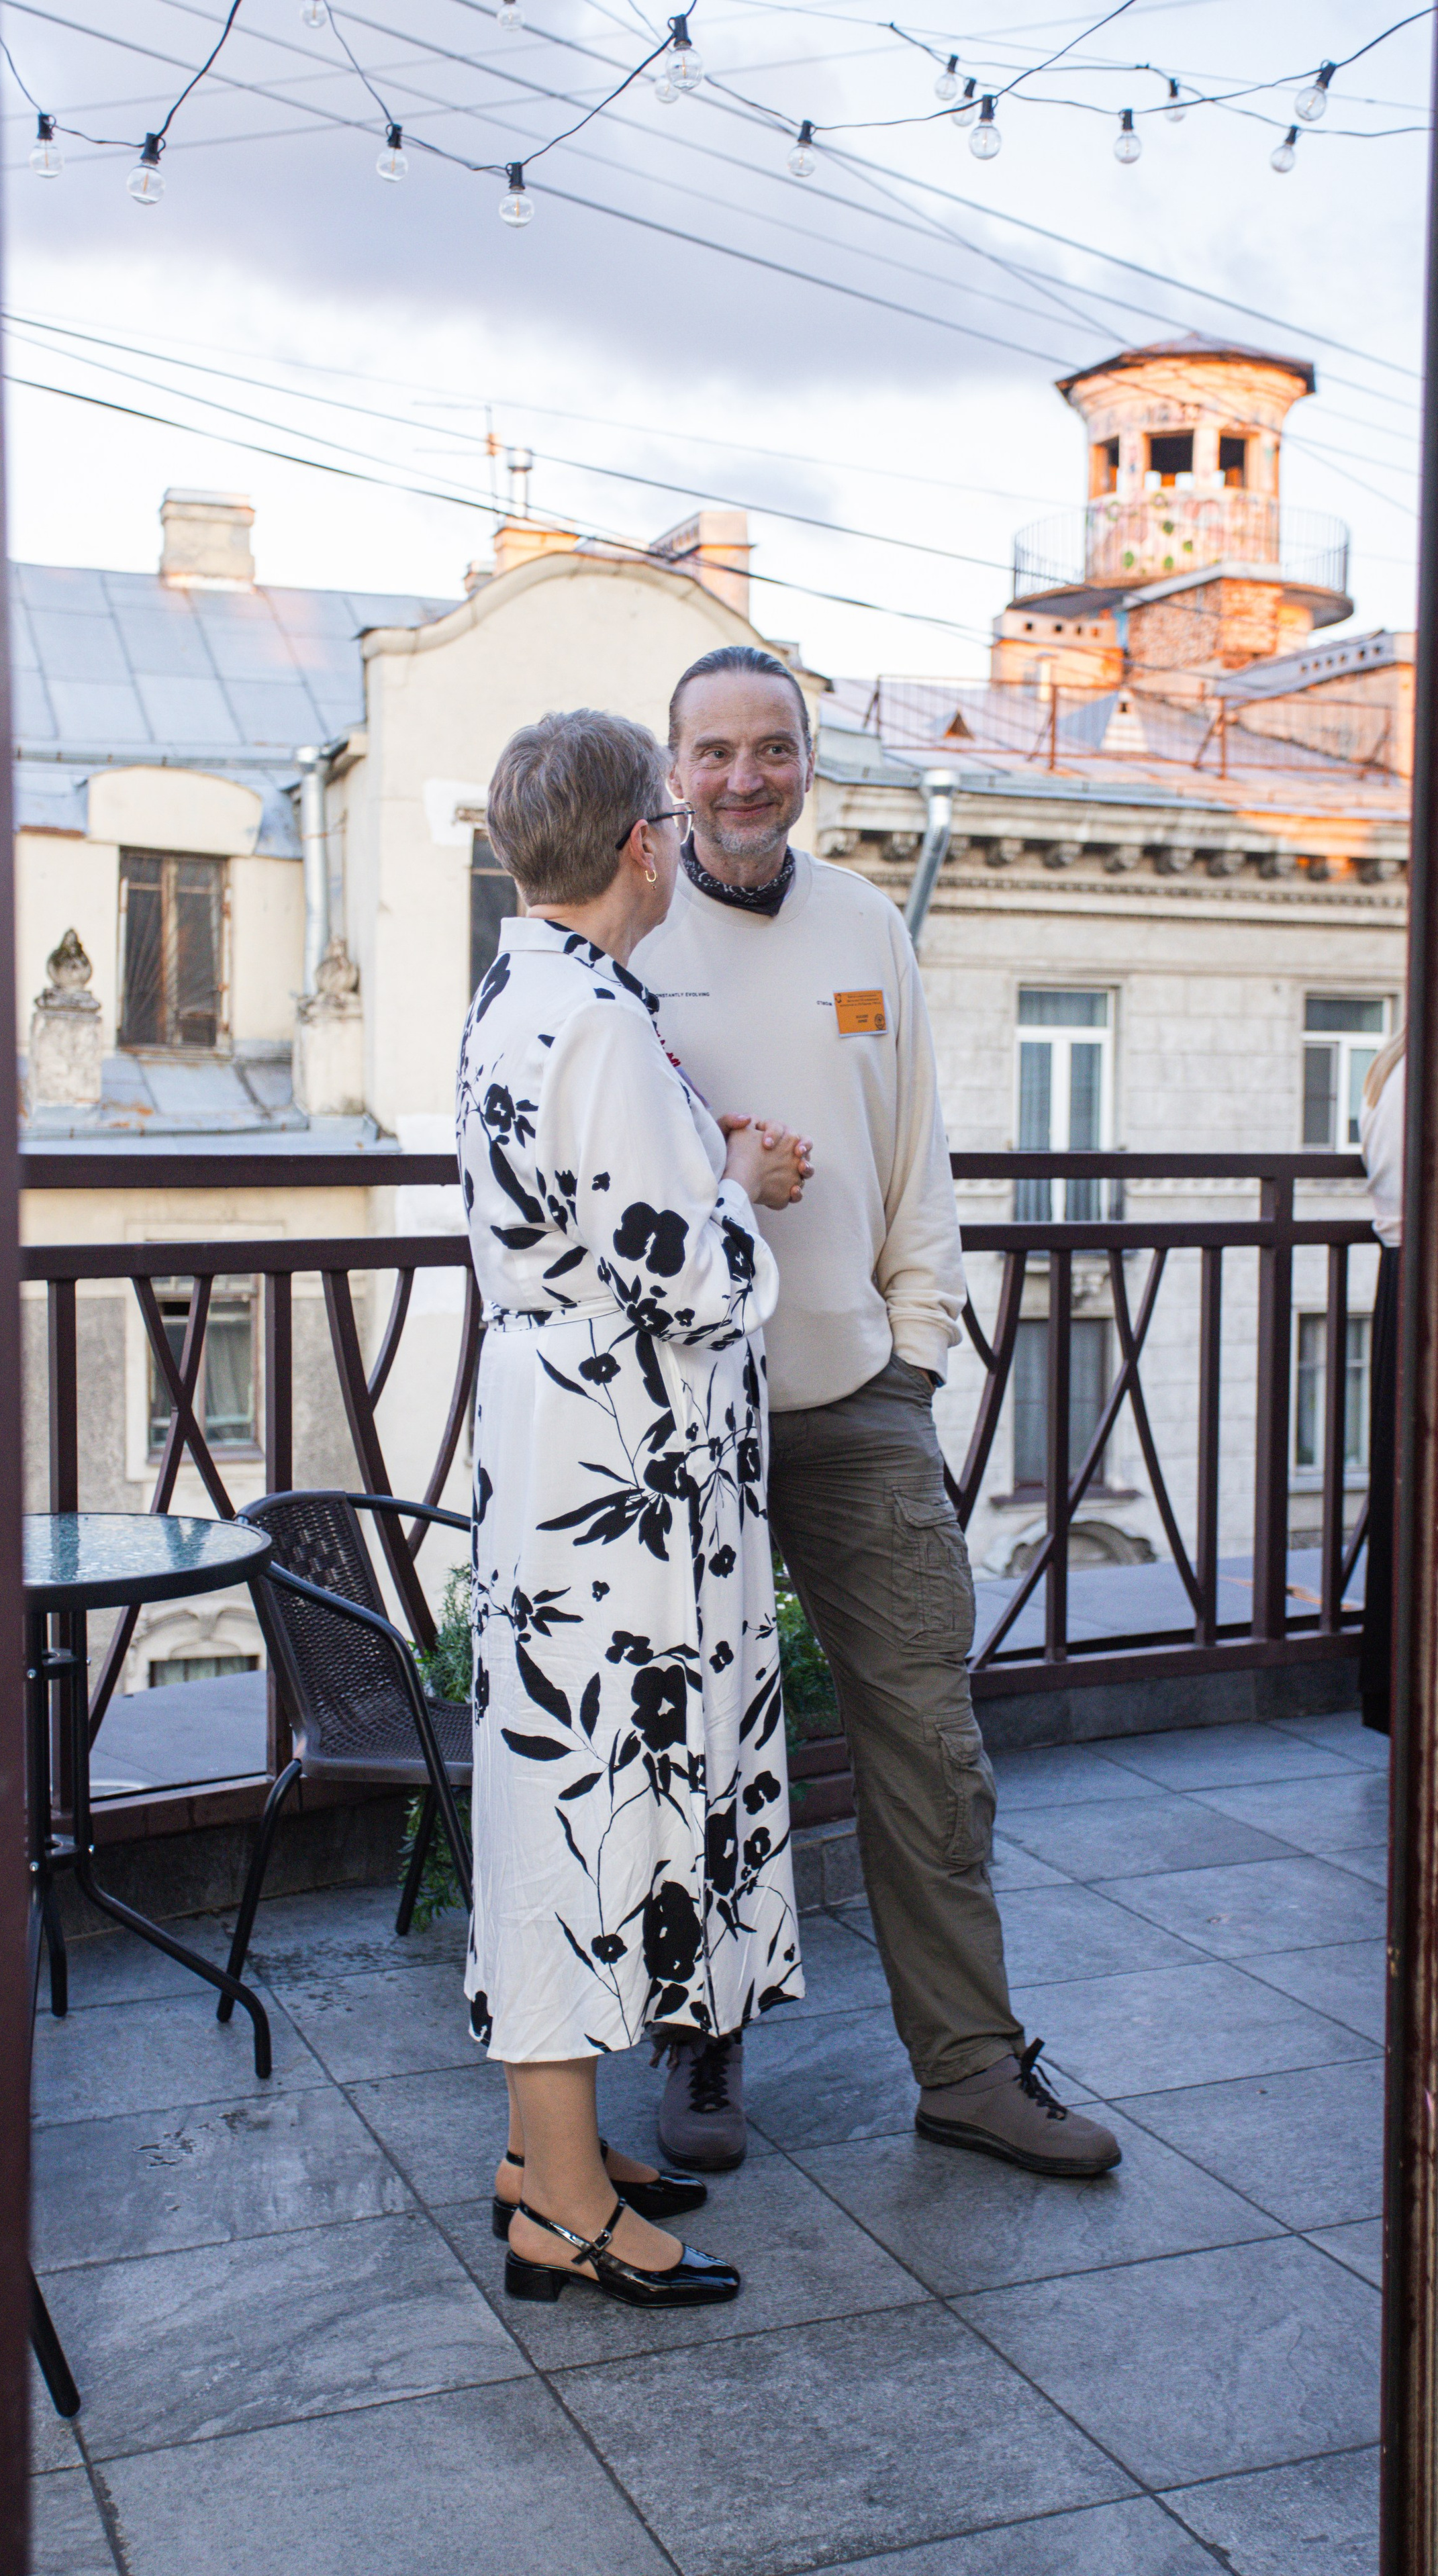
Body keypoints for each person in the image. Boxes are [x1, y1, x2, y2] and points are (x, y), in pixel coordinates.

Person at [632, 645, 1120, 2181]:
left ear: (805, 761)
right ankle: (699, 2038)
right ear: (673, 770)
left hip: (855, 1402)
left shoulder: (862, 927)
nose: (740, 777)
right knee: (700, 1737)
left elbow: (917, 1157)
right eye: (711, 752)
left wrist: (912, 1356)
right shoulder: (628, 936)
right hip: (689, 1414)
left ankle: (970, 2065)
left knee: (925, 1732)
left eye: (767, 747)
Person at [457, 707, 810, 2309]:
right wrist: (743, 1187)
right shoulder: (593, 1016)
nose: (678, 837)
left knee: (575, 1783)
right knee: (580, 1799)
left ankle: (551, 2159)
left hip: (571, 1461)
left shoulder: (522, 988)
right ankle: (566, 2205)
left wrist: (694, 1165)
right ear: (635, 846)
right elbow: (692, 1277)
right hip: (616, 1482)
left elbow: (595, 1227)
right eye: (666, 815)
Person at [1358, 1022, 1406, 1736]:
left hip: (1405, 1272)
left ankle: (1391, 1690)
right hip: (1425, 1270)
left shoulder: (1394, 1062)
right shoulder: (1422, 1065)